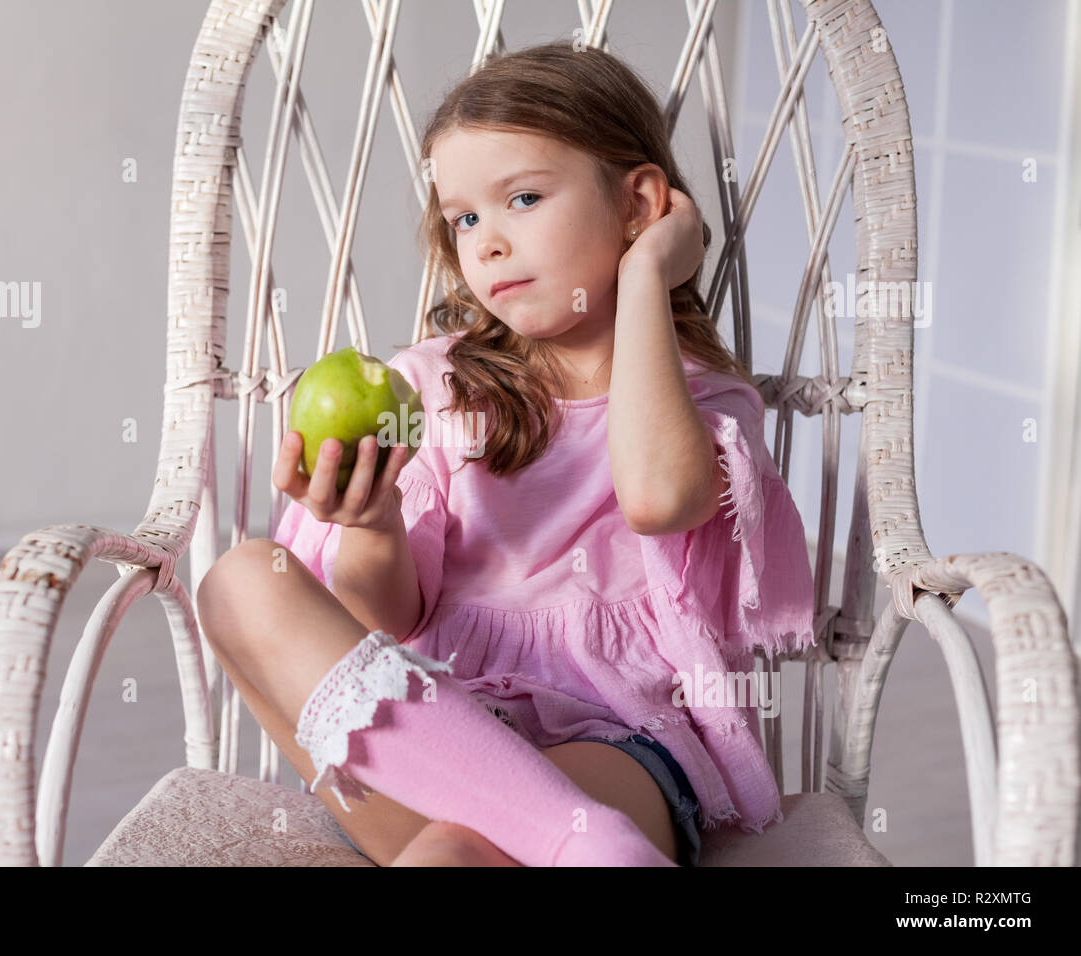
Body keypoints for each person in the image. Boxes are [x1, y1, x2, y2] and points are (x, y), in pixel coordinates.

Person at [195, 39, 816, 868]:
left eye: (522, 197)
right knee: (242, 581)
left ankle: (579, 831)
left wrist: (643, 281)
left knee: (453, 854)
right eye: (464, 218)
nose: (484, 244)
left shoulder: (702, 400)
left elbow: (658, 499)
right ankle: (588, 846)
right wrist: (374, 522)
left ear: (639, 204)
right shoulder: (430, 389)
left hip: (614, 742)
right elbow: (384, 624)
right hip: (430, 738)